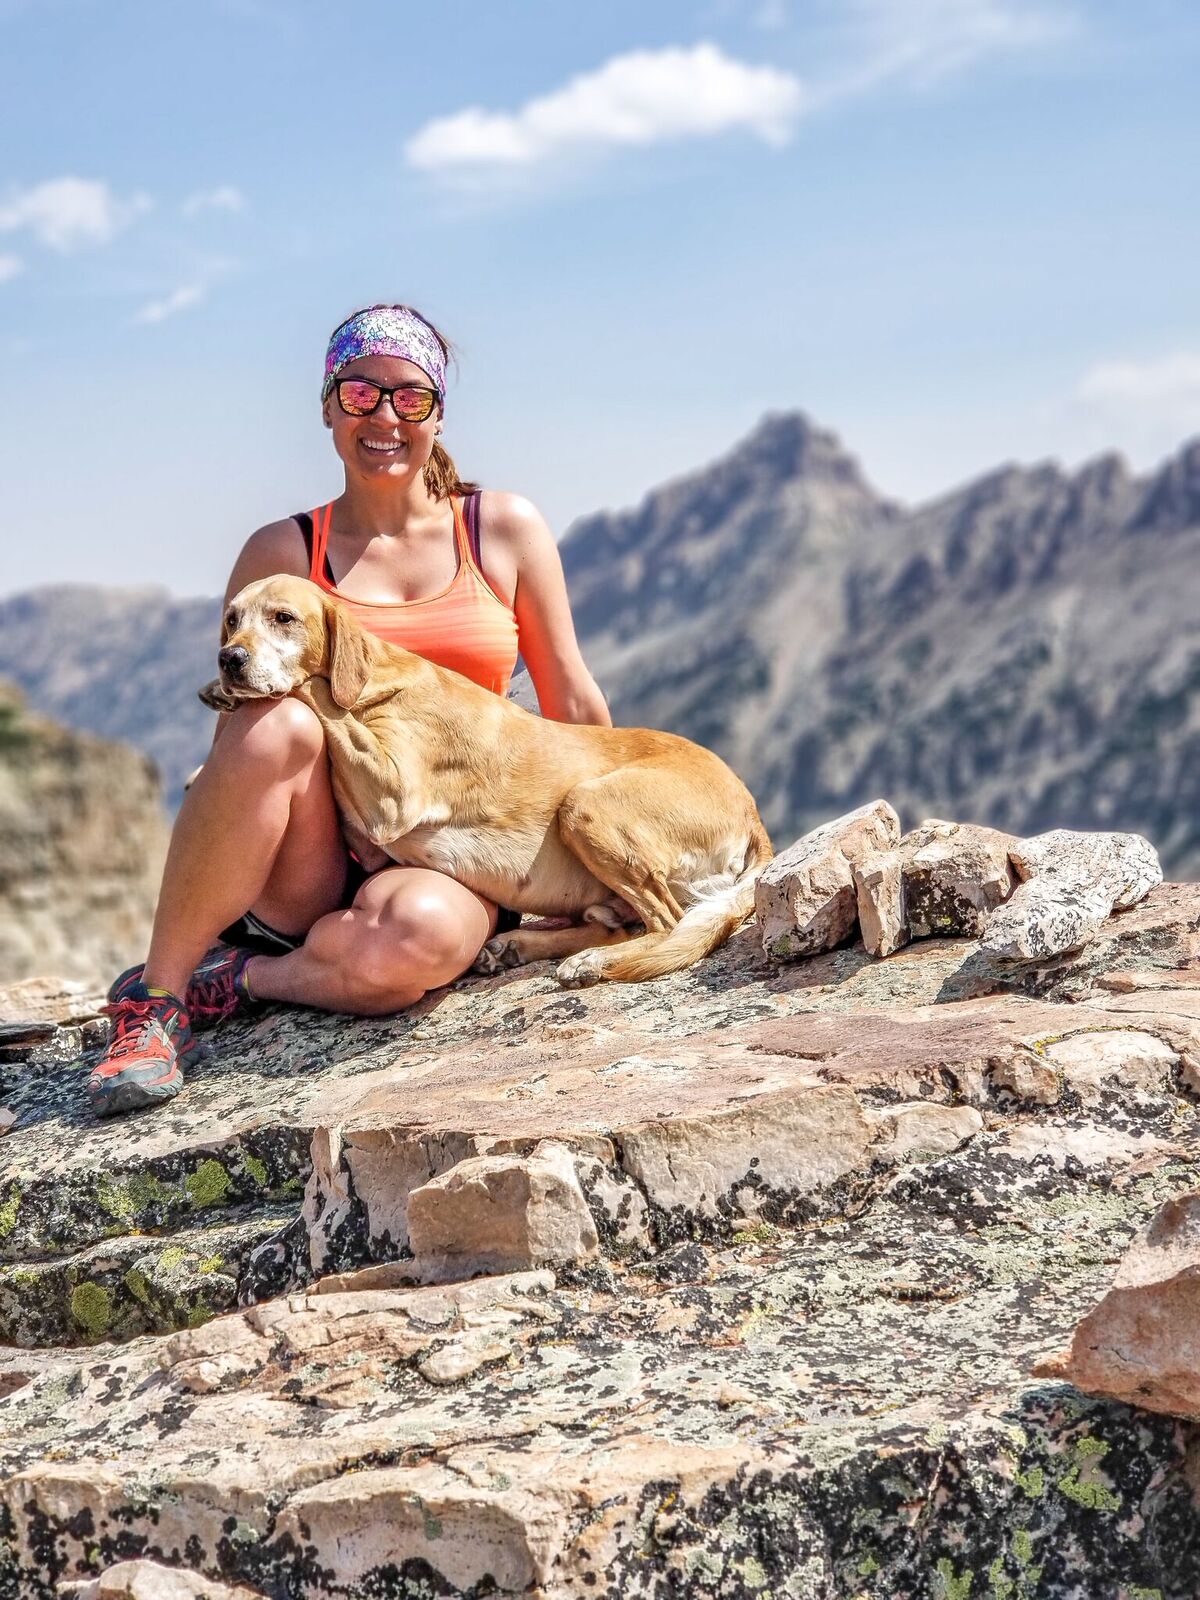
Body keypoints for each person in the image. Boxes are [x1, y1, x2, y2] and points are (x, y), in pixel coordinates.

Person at [88, 303, 610, 1118]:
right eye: (361, 394)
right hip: (318, 848)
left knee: (420, 943)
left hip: (455, 841)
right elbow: (241, 720)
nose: (385, 418)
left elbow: (570, 698)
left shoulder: (501, 529)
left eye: (410, 398)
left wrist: (589, 861)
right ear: (328, 405)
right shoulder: (283, 550)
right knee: (280, 722)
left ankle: (241, 980)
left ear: (438, 413)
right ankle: (155, 1001)